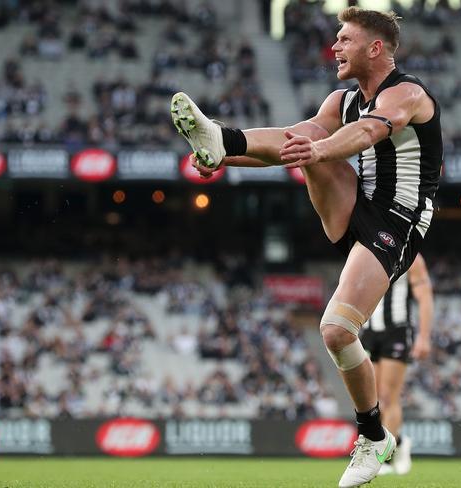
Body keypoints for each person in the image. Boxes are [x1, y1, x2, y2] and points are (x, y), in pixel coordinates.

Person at [171, 7, 442, 487]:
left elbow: (369, 132)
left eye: (344, 39)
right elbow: (294, 143)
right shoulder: (342, 100)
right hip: (354, 206)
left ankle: (373, 436)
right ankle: (220, 135)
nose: (334, 47)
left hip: (399, 224)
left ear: (375, 48)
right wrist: (225, 157)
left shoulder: (408, 93)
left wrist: (318, 150)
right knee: (308, 134)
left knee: (336, 331)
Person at [360, 253, 433, 476]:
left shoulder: (413, 258)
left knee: (388, 396)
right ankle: (399, 442)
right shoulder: (367, 250)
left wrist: (423, 337)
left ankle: (385, 459)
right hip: (370, 331)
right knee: (372, 399)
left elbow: (425, 297)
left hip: (397, 332)